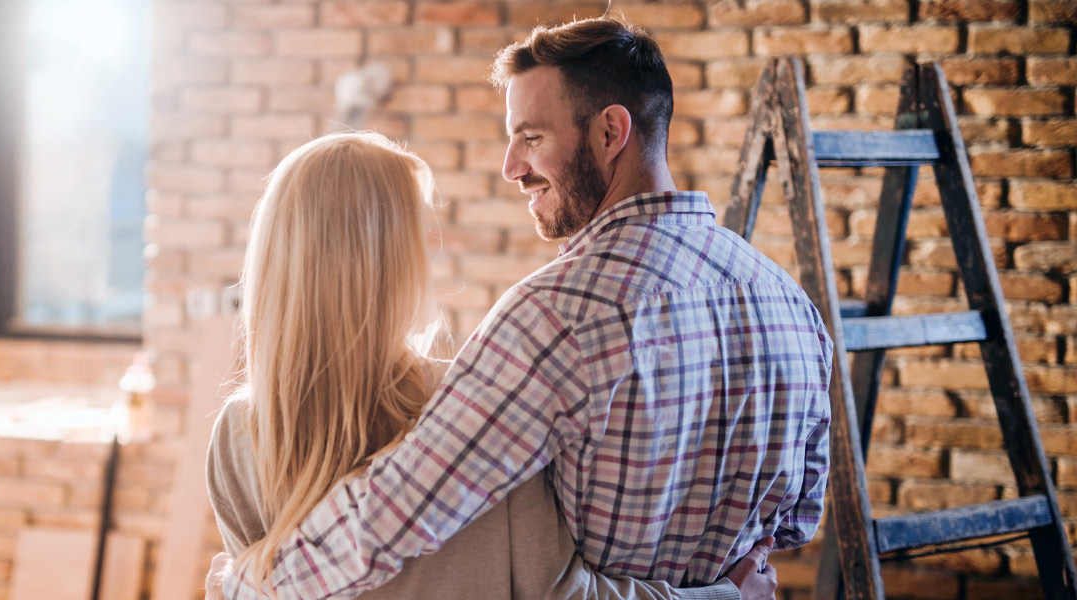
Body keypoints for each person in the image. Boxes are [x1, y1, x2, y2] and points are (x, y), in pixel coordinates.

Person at [219, 15, 832, 600]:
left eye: (530, 138)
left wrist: (239, 586)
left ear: (610, 133)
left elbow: (391, 516)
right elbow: (797, 522)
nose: (512, 169)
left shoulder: (552, 317)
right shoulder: (791, 304)